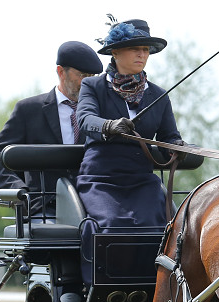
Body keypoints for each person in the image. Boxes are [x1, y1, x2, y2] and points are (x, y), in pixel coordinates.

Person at [75, 17, 184, 284]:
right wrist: (110, 126)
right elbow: (85, 120)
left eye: (146, 49)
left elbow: (170, 136)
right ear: (115, 52)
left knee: (160, 230)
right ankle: (103, 290)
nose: (142, 54)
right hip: (102, 179)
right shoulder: (93, 86)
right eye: (135, 48)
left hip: (142, 180)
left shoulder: (158, 95)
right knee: (114, 228)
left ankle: (154, 290)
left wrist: (179, 148)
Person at [0, 41, 103, 218]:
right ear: (61, 72)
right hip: (43, 211)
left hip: (96, 208)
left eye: (93, 76)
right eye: (83, 75)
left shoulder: (103, 112)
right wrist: (20, 193)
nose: (88, 83)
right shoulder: (29, 110)